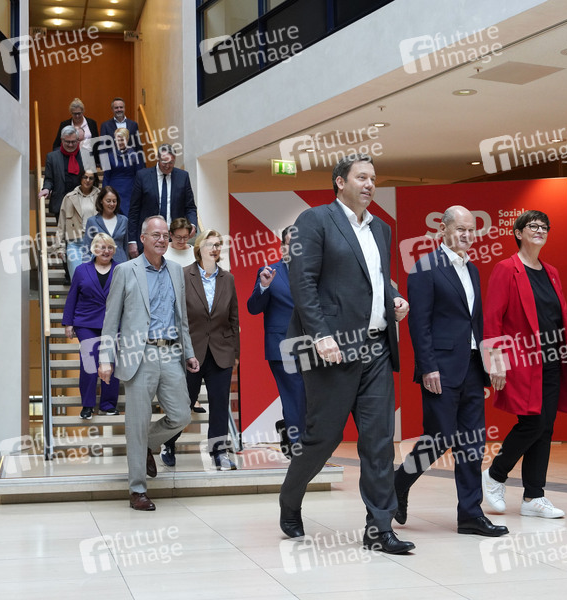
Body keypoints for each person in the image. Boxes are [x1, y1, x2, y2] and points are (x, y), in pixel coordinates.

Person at [278, 154, 414, 555]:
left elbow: (376, 280)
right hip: (333, 349)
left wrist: (394, 298)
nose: (370, 184)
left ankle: (379, 528)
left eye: (373, 178)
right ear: (340, 181)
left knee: (379, 440)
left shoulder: (381, 229)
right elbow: (303, 282)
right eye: (361, 177)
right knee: (324, 437)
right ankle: (290, 498)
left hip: (376, 347)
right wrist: (320, 336)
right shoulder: (314, 220)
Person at [394, 206, 508, 538]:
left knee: (472, 442)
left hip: (472, 367)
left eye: (471, 230)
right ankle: (398, 484)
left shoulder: (472, 269)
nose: (467, 235)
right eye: (460, 229)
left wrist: (491, 361)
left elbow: (477, 321)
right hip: (440, 369)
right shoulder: (425, 267)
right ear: (442, 230)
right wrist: (427, 367)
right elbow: (419, 324)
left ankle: (470, 514)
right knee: (438, 437)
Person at [481, 210, 567, 519]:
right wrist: (495, 360)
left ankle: (534, 496)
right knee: (532, 423)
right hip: (521, 361)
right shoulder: (506, 269)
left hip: (552, 360)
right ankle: (494, 475)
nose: (540, 230)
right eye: (533, 226)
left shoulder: (551, 272)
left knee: (545, 427)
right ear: (518, 233)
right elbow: (492, 317)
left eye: (544, 227)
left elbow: (565, 318)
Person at [99, 215, 200, 512]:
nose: (162, 239)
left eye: (165, 235)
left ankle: (144, 445)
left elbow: (181, 318)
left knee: (181, 415)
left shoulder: (176, 272)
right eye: (156, 235)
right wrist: (105, 358)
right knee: (137, 423)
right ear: (142, 238)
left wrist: (189, 352)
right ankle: (137, 490)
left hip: (170, 352)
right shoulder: (125, 271)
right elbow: (110, 320)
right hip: (138, 354)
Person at [162, 230, 240, 470]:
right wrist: (177, 350)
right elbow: (174, 314)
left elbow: (233, 318)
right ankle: (169, 443)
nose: (214, 249)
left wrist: (235, 353)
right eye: (210, 244)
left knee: (219, 404)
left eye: (218, 245)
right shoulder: (184, 275)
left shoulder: (228, 279)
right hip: (190, 352)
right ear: (199, 248)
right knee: (183, 404)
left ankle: (219, 452)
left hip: (221, 352)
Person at [247, 226, 306, 458]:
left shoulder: (314, 272)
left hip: (311, 347)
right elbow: (253, 308)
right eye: (291, 243)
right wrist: (263, 286)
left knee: (309, 397)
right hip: (282, 345)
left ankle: (287, 428)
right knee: (295, 393)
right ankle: (299, 448)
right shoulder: (269, 272)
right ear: (283, 247)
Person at [63, 233, 120, 420]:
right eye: (102, 247)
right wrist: (68, 323)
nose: (106, 251)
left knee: (110, 362)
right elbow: (72, 296)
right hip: (86, 322)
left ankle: (108, 405)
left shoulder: (121, 270)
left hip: (113, 323)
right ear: (94, 249)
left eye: (110, 247)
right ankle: (87, 405)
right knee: (89, 362)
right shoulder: (81, 270)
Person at [128, 144, 197, 257]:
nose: (167, 166)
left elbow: (190, 207)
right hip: (150, 237)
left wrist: (193, 224)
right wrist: (132, 241)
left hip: (174, 238)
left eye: (171, 162)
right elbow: (134, 211)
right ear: (158, 158)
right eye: (164, 162)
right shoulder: (143, 176)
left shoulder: (183, 177)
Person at [56, 170, 100, 280]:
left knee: (92, 281)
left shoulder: (101, 197)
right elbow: (61, 224)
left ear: (94, 180)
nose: (87, 180)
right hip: (74, 244)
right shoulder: (69, 197)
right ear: (80, 178)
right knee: (77, 279)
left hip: (95, 243)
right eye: (85, 177)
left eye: (91, 178)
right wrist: (60, 247)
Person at [39, 126, 86, 219]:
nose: (70, 145)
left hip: (81, 202)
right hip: (61, 202)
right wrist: (46, 189)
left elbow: (93, 179)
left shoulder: (86, 155)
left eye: (73, 142)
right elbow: (49, 179)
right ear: (62, 140)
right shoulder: (52, 157)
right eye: (67, 142)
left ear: (78, 140)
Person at [102, 128, 143, 220]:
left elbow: (139, 175)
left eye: (122, 140)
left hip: (130, 190)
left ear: (127, 140)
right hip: (113, 189)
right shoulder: (109, 155)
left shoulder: (134, 155)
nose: (120, 142)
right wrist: (104, 192)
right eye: (117, 140)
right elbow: (106, 176)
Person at [82, 187, 130, 264]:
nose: (112, 204)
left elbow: (125, 247)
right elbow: (87, 248)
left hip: (121, 264)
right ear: (101, 201)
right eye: (108, 201)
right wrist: (85, 267)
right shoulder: (92, 221)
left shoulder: (124, 220)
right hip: (99, 265)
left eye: (114, 201)